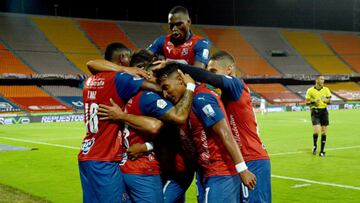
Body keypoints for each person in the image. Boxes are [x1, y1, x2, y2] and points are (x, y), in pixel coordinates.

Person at [158, 51, 271, 203]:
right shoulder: (217, 95)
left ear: (229, 69)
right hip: (234, 159)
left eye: (213, 71)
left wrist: (176, 66)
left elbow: (208, 78)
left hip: (251, 156)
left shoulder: (236, 85)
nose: (208, 76)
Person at [94, 49, 196, 203]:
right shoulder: (149, 97)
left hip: (166, 168)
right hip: (152, 168)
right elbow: (166, 126)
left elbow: (163, 129)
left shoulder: (132, 95)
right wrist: (190, 87)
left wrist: (146, 146)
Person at [78, 44, 159, 203]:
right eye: (128, 57)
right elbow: (155, 88)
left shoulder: (89, 81)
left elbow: (91, 63)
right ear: (122, 58)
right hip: (105, 158)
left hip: (87, 155)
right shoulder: (120, 79)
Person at [305, 75, 331, 157]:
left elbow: (330, 101)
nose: (323, 80)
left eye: (323, 79)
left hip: (324, 111)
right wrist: (313, 101)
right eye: (321, 79)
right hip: (315, 111)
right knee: (316, 131)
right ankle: (315, 146)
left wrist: (326, 100)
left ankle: (322, 151)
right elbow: (306, 102)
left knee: (324, 131)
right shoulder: (310, 90)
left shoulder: (326, 89)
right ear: (317, 80)